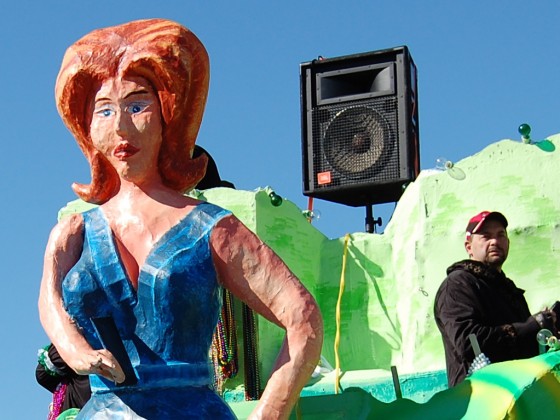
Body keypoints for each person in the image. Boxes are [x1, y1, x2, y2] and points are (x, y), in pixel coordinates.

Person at [38, 18, 323, 419]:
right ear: (85, 126)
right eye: (104, 111)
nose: (120, 127)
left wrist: (267, 413)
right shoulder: (75, 232)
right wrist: (73, 349)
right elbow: (48, 300)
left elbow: (302, 317)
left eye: (137, 106)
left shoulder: (211, 228)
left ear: (169, 112)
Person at [434, 211, 557, 387]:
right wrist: (529, 327)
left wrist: (547, 328)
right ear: (469, 247)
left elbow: (523, 347)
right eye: (486, 236)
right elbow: (468, 343)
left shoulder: (508, 289)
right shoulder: (458, 284)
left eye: (501, 235)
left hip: (521, 396)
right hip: (483, 401)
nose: (495, 241)